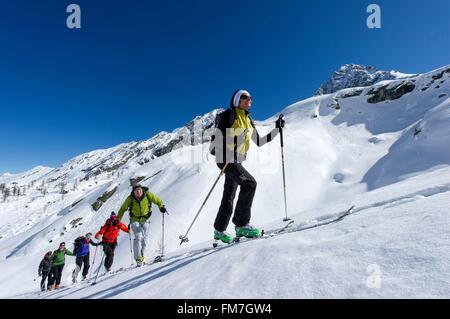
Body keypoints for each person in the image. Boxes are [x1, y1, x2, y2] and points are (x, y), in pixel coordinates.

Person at [210, 89, 285, 243]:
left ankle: (219, 230)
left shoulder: (249, 121)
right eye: (245, 97)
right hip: (225, 158)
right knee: (249, 183)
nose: (249, 99)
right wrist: (225, 148)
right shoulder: (229, 115)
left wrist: (277, 129)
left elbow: (260, 141)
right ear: (237, 100)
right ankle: (241, 224)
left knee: (229, 195)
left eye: (250, 97)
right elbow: (214, 142)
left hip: (237, 160)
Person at [117, 183, 167, 266]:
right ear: (133, 192)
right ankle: (138, 259)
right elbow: (122, 209)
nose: (138, 192)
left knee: (145, 239)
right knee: (138, 237)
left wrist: (161, 207)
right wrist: (117, 220)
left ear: (142, 190)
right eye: (136, 191)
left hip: (145, 220)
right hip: (134, 220)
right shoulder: (130, 198)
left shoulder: (148, 195)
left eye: (139, 190)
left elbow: (157, 200)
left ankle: (142, 257)